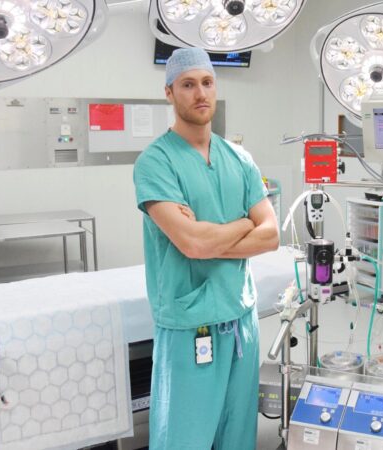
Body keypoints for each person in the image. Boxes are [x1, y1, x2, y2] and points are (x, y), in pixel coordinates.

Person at [133, 47, 279, 450]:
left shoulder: (239, 158)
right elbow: (192, 244)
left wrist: (207, 236)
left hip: (241, 319)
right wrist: (244, 222)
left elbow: (271, 236)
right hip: (189, 322)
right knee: (185, 438)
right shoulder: (155, 162)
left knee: (238, 438)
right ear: (169, 93)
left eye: (208, 83)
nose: (200, 93)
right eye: (188, 84)